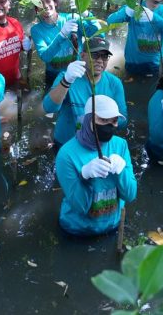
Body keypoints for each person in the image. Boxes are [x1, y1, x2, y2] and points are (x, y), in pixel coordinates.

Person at [55, 95, 136, 236]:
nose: (109, 126)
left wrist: (122, 172)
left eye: (114, 121)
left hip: (113, 225)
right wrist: (84, 176)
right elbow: (80, 206)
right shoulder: (66, 154)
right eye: (103, 120)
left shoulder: (120, 145)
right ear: (88, 119)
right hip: (76, 229)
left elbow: (130, 195)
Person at [43, 37, 128, 146]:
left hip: (97, 144)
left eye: (105, 56)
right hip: (66, 143)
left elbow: (123, 120)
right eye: (95, 55)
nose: (100, 60)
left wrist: (100, 121)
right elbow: (48, 108)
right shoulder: (67, 76)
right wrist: (66, 81)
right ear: (82, 56)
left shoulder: (115, 83)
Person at [30, 0, 98, 90]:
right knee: (50, 103)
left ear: (55, 2)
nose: (45, 6)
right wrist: (62, 35)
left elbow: (97, 33)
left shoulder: (72, 18)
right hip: (53, 74)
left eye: (48, 1)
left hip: (78, 70)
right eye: (40, 3)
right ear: (36, 9)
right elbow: (45, 56)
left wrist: (84, 12)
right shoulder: (36, 30)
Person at [106, 0, 163, 76]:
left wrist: (153, 17)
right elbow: (110, 20)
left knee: (154, 90)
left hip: (156, 64)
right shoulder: (134, 7)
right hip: (132, 63)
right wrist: (126, 11)